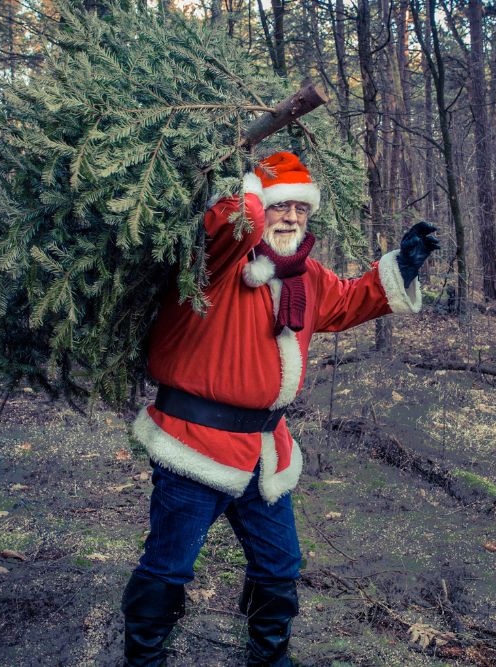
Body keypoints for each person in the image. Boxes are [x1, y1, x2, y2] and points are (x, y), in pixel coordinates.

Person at [122, 151, 439, 666]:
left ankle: (269, 659)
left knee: (279, 564)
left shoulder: (304, 275)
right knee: (169, 565)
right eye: (280, 206)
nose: (292, 217)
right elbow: (228, 225)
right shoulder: (212, 265)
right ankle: (143, 659)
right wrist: (244, 173)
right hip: (193, 443)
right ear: (257, 205)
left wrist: (401, 267)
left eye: (302, 209)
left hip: (267, 450)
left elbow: (350, 299)